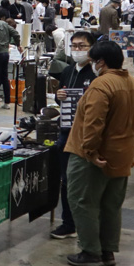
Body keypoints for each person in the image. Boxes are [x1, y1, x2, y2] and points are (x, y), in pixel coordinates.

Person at [63, 40, 134, 266]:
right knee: (111, 205)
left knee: (83, 202)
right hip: (122, 155)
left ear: (101, 62)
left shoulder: (101, 86)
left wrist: (89, 151)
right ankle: (107, 251)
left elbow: (93, 123)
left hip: (93, 158)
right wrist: (131, 151)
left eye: (92, 60)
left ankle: (91, 252)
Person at [49, 30, 98, 240]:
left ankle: (87, 224)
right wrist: (59, 96)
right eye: (74, 46)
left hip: (87, 134)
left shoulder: (96, 74)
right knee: (66, 179)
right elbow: (61, 97)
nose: (77, 50)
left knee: (85, 181)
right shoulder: (68, 70)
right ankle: (68, 223)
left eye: (82, 46)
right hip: (66, 131)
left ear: (91, 48)